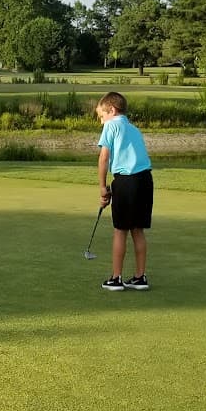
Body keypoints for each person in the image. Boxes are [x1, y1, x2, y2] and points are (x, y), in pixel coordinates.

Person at [93, 91, 153, 291]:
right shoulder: (134, 128)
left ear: (112, 110)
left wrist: (103, 188)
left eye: (101, 116)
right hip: (145, 179)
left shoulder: (111, 125)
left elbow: (104, 158)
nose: (102, 122)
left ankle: (116, 278)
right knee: (138, 230)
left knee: (120, 230)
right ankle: (140, 277)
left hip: (126, 180)